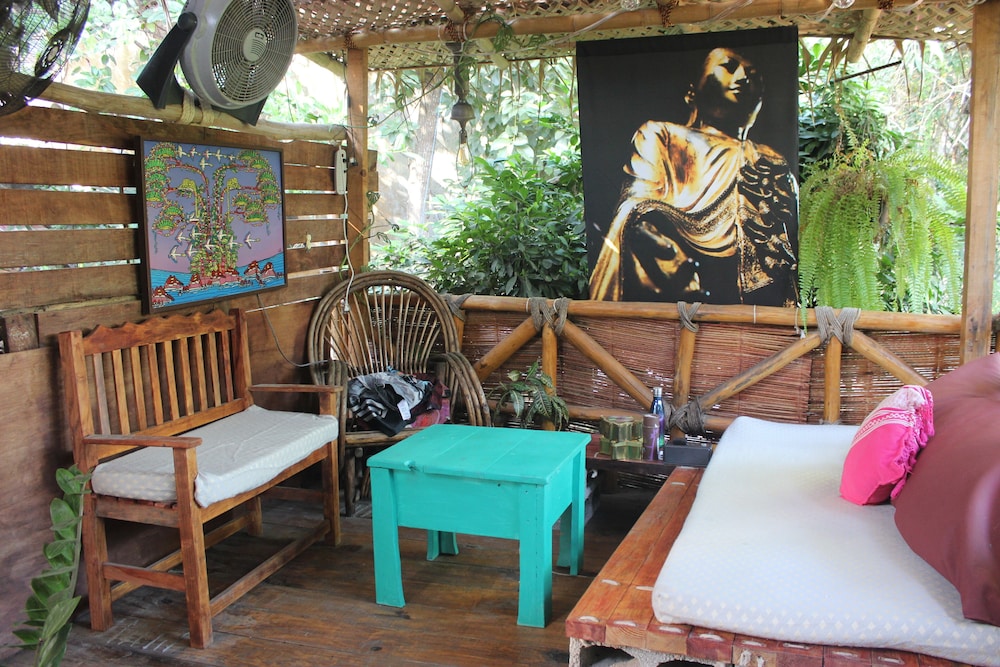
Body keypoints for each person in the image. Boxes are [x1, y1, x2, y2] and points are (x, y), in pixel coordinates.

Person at [590, 47, 798, 305]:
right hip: (679, 266)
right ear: (692, 90)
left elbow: (788, 238)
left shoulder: (770, 159)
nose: (744, 77)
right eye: (729, 67)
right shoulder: (664, 135)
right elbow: (635, 205)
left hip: (750, 290)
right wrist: (655, 240)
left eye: (754, 76)